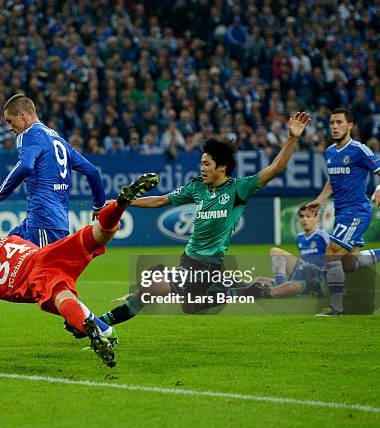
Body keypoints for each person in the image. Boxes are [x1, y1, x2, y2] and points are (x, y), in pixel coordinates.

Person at [95, 112, 311, 325]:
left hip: (207, 267)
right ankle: (249, 289)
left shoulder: (238, 189)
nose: (202, 167)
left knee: (150, 290)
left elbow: (275, 169)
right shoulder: (197, 187)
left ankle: (98, 324)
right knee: (190, 307)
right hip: (188, 260)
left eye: (207, 164)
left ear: (222, 167)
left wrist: (292, 138)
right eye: (202, 163)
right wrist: (122, 202)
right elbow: (161, 200)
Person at [0, 173, 160, 367]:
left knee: (63, 298)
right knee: (96, 234)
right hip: (47, 255)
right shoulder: (11, 240)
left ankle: (88, 326)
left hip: (37, 278)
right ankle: (119, 206)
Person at [0, 94, 105, 247]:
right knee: (6, 249)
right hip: (45, 221)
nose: (9, 128)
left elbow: (26, 166)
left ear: (22, 115)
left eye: (10, 121)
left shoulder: (27, 135)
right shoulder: (59, 140)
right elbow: (92, 171)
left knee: (42, 270)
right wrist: (98, 205)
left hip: (44, 221)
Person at [305, 107, 380, 316]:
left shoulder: (360, 150)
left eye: (339, 122)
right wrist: (320, 200)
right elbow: (332, 180)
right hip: (341, 213)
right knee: (348, 264)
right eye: (332, 123)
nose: (335, 127)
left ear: (350, 125)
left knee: (331, 252)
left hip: (357, 212)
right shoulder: (330, 152)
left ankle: (335, 308)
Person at [254, 204, 329, 298]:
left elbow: (335, 261)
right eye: (302, 216)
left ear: (316, 218)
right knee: (259, 279)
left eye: (308, 216)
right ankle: (280, 285)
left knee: (291, 286)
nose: (305, 219)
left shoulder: (323, 236)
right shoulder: (300, 237)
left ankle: (277, 290)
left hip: (316, 277)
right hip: (303, 271)